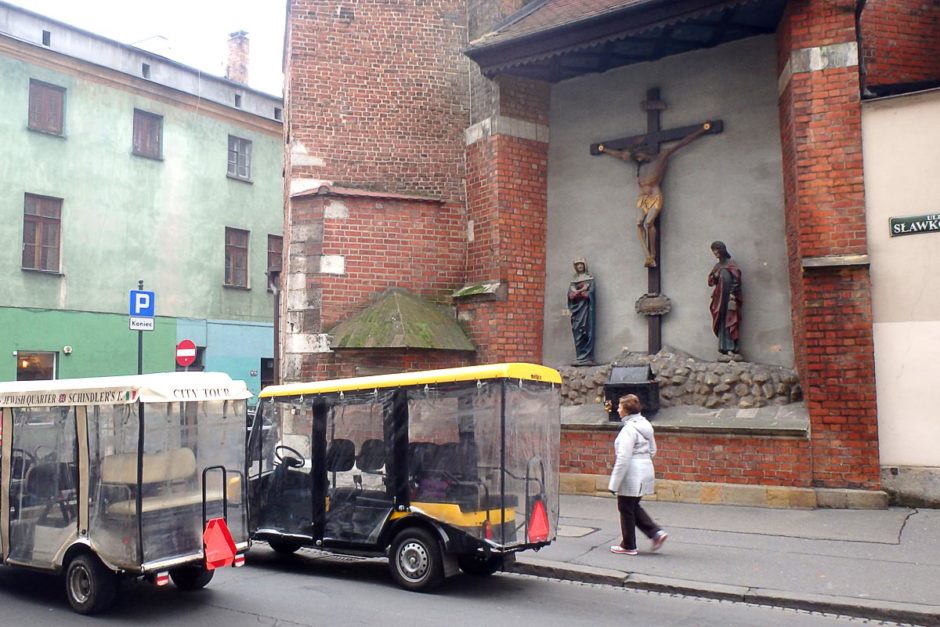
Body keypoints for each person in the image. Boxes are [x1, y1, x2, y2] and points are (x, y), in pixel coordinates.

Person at [598, 123, 711, 268]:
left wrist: (702, 129)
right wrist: (604, 149)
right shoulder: (638, 163)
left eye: (639, 156)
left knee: (648, 223)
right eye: (636, 158)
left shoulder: (661, 156)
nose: (638, 160)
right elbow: (621, 155)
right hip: (642, 198)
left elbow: (682, 143)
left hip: (654, 195)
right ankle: (647, 256)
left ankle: (653, 254)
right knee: (638, 223)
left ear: (646, 152)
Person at [608, 394, 667, 555]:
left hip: (631, 473)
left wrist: (614, 483)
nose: (618, 409)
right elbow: (653, 450)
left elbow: (623, 457)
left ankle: (629, 545)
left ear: (626, 410)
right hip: (646, 470)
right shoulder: (645, 425)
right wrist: (642, 461)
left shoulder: (629, 430)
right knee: (632, 506)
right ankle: (656, 533)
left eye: (620, 407)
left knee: (625, 507)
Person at [707, 240, 742, 358]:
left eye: (716, 250)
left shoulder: (731, 263)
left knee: (730, 320)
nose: (715, 253)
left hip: (729, 296)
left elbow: (737, 279)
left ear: (722, 250)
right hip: (719, 297)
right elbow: (711, 282)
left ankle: (732, 348)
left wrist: (733, 293)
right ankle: (723, 348)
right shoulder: (717, 266)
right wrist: (715, 276)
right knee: (722, 320)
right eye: (713, 251)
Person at [567, 257, 596, 366]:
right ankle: (579, 356)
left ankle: (587, 356)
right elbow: (569, 295)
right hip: (577, 311)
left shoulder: (590, 279)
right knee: (577, 330)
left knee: (586, 329)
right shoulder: (573, 281)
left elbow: (592, 293)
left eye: (581, 264)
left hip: (586, 310)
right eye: (577, 265)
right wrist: (572, 295)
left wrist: (586, 294)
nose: (579, 267)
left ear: (584, 266)